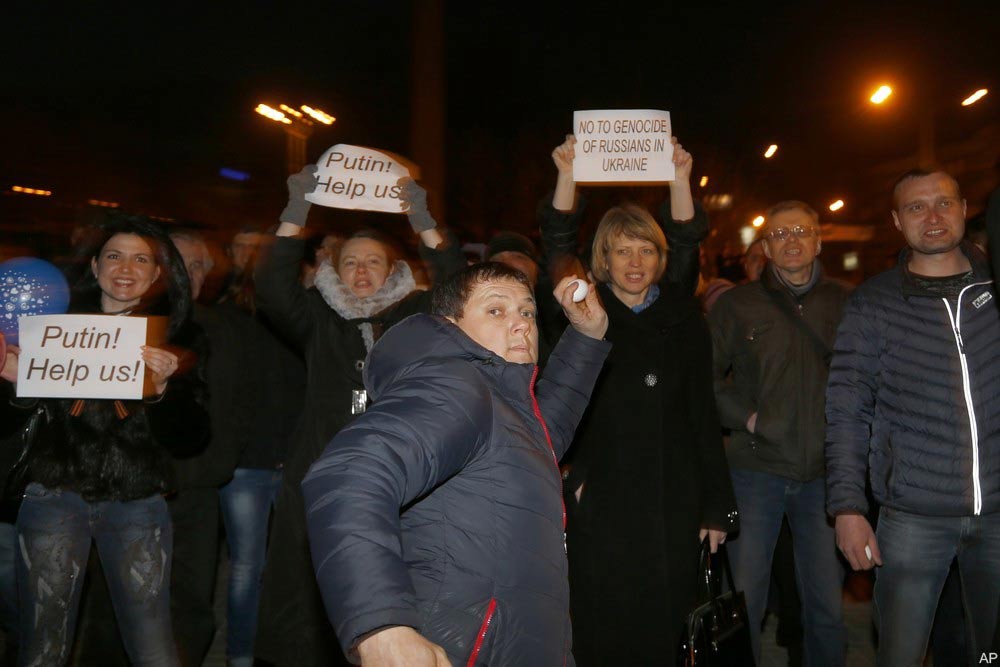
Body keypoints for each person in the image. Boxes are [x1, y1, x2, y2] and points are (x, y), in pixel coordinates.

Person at [303, 262, 611, 665]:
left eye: (528, 312)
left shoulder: (509, 409)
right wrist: (380, 627)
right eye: (496, 311)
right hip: (464, 649)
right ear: (452, 326)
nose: (521, 324)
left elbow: (550, 425)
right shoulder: (458, 388)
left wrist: (588, 335)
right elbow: (351, 474)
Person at [253, 168, 466, 666]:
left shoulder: (418, 313)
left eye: (374, 261)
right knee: (307, 591)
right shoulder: (317, 313)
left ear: (394, 268)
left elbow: (461, 286)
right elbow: (270, 286)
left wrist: (423, 219)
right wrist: (295, 212)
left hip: (399, 474)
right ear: (334, 267)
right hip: (318, 466)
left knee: (386, 589)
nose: (362, 272)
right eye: (351, 262)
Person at [541, 135, 738, 663]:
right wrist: (567, 176)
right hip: (601, 498)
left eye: (646, 249)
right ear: (602, 258)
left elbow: (703, 417)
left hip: (673, 499)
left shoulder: (682, 318)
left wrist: (716, 509)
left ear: (660, 257)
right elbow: (557, 247)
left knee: (665, 627)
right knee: (601, 624)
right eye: (622, 249)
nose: (635, 261)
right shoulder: (583, 315)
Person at [0, 214, 209, 666]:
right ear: (95, 267)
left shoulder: (178, 338)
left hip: (137, 500)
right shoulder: (49, 328)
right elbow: (10, 426)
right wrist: (16, 388)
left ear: (157, 274)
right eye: (113, 256)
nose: (125, 267)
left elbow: (193, 438)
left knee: (153, 645)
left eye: (140, 259)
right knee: (42, 646)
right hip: (52, 496)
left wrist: (164, 394)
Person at [826, 169, 1000, 665]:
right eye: (917, 207)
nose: (933, 216)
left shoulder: (996, 289)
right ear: (898, 221)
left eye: (943, 202)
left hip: (998, 514)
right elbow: (845, 409)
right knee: (901, 654)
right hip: (913, 518)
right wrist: (847, 508)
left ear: (965, 208)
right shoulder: (873, 303)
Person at [709, 200, 851, 665]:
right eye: (779, 233)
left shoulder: (848, 301)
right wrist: (747, 417)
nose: (791, 240)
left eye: (801, 231)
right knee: (745, 602)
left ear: (818, 239)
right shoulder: (736, 305)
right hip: (754, 470)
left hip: (824, 476)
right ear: (766, 247)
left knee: (826, 606)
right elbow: (704, 380)